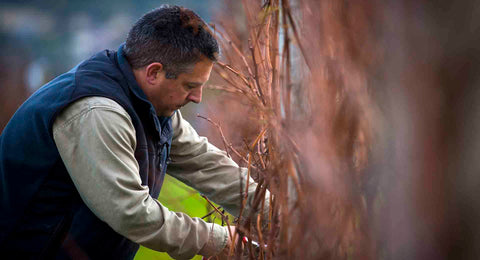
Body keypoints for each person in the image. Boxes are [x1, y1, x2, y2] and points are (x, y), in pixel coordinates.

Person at [0, 5, 268, 259]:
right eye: (190, 86)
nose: (198, 97)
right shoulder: (97, 113)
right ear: (154, 72)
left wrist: (275, 215)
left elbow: (207, 166)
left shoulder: (151, 107)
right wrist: (226, 241)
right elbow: (133, 214)